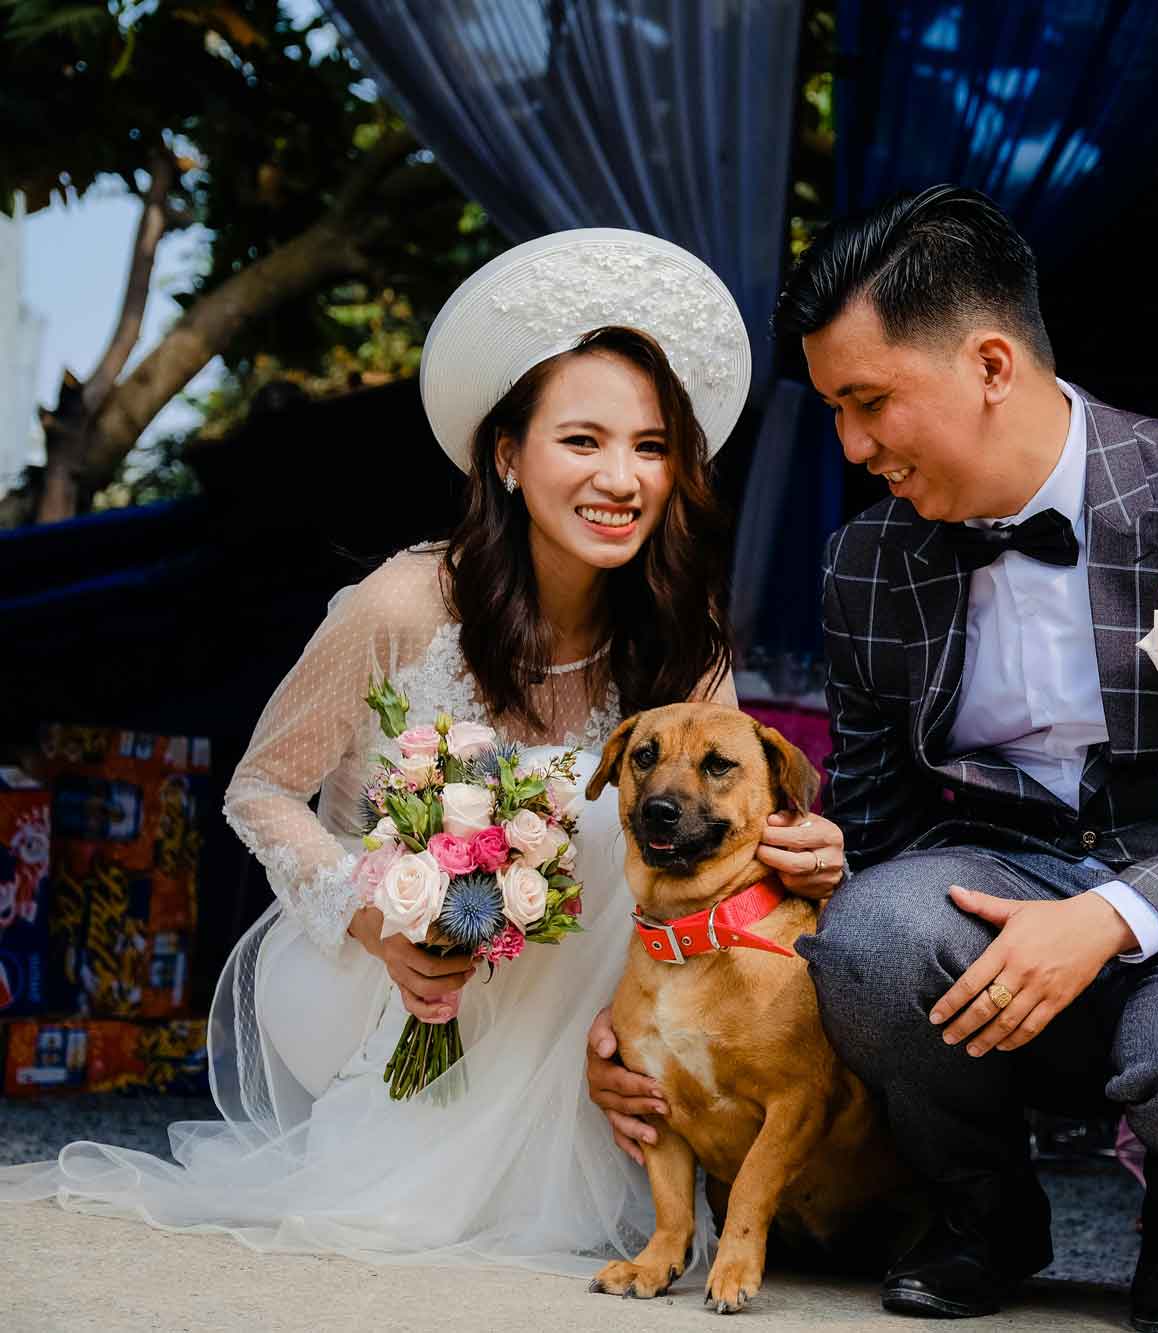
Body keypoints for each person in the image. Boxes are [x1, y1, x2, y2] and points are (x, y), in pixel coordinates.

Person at [0, 229, 847, 1275]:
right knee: (589, 829)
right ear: (507, 455)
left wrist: (803, 848)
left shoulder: (680, 634)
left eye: (651, 447)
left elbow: (723, 829)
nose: (620, 477)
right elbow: (261, 789)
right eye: (582, 440)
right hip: (374, 983)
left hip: (593, 1010)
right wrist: (376, 918)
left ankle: (615, 1083)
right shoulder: (401, 605)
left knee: (620, 828)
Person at [724, 185, 1158, 1331]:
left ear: (990, 363)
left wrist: (1114, 915)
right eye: (834, 409)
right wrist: (820, 873)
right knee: (869, 937)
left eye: (869, 402)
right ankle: (982, 1215)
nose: (852, 446)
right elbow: (878, 828)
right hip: (999, 885)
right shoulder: (865, 561)